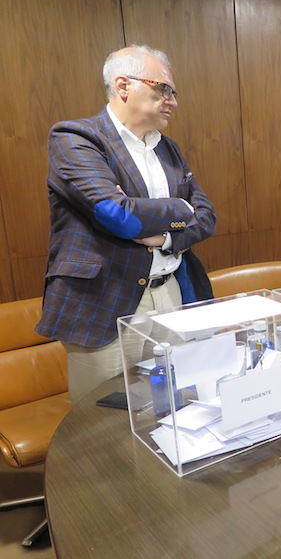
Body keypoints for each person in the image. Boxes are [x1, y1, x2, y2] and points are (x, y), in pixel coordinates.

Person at [36, 45, 216, 403]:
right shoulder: (76, 138)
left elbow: (207, 217)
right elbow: (117, 214)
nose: (172, 101)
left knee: (172, 406)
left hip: (170, 291)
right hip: (103, 301)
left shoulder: (168, 148)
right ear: (124, 85)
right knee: (100, 421)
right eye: (163, 88)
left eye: (172, 92)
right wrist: (179, 207)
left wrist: (162, 237)